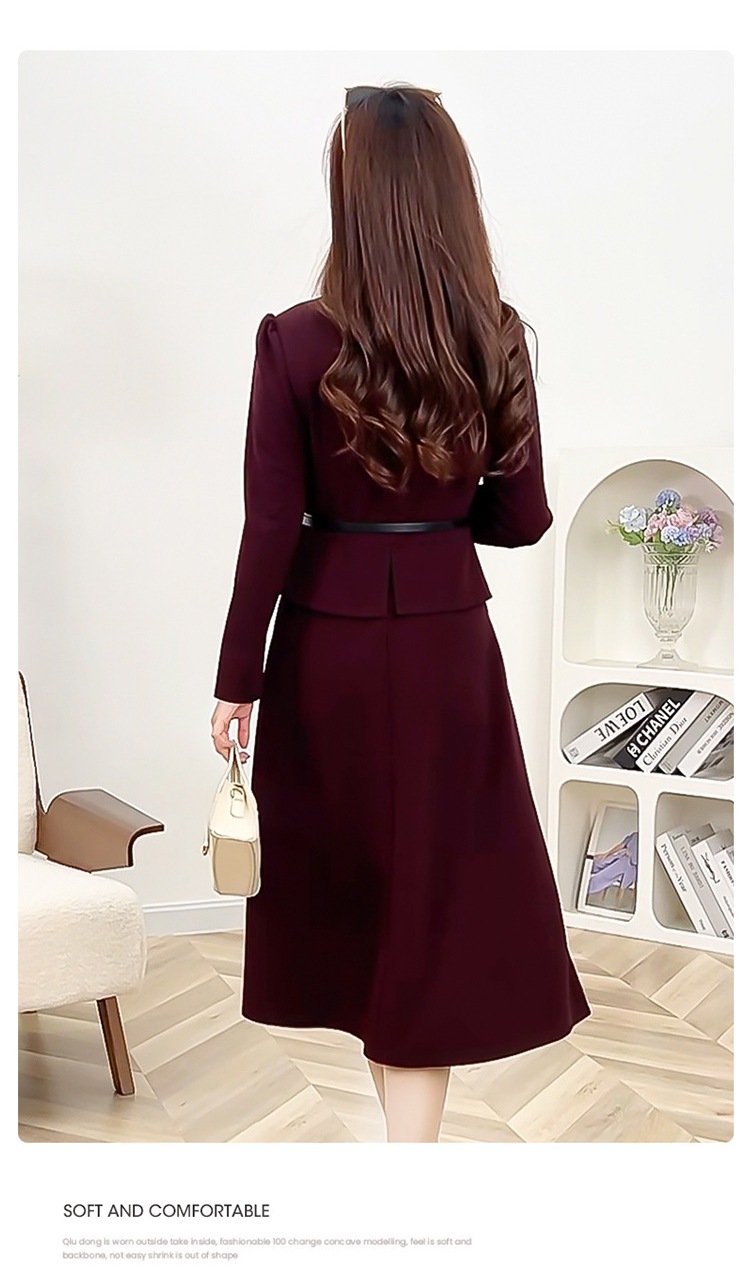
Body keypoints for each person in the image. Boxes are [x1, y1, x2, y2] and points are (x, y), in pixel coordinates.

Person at [211, 83, 590, 1144]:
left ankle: (404, 1177)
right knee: (425, 913)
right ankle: (409, 1168)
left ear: (354, 192)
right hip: (447, 650)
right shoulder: (495, 335)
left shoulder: (293, 341)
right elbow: (522, 519)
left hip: (324, 654)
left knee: (361, 908)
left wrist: (236, 681)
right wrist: (438, 513)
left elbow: (269, 527)